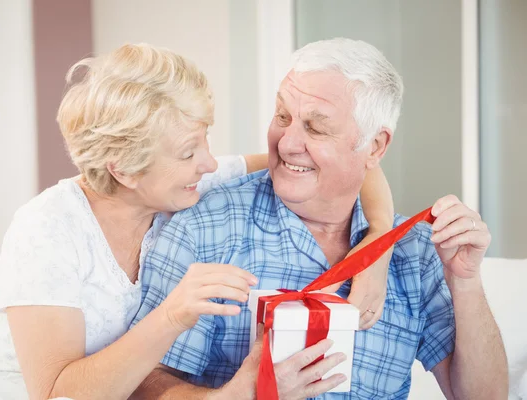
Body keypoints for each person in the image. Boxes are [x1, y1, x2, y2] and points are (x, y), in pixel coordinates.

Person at [0, 42, 394, 400]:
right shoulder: (47, 230)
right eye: (188, 152)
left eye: (206, 139)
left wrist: (377, 248)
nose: (211, 163)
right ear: (124, 171)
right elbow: (56, 395)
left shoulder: (185, 182)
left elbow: (346, 164)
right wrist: (171, 316)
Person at [131, 38, 508, 400]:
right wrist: (240, 395)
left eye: (315, 127)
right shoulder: (203, 230)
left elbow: (484, 397)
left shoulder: (416, 253)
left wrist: (466, 281)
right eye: (282, 116)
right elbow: (139, 387)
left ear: (374, 146)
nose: (286, 143)